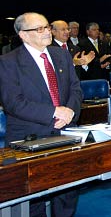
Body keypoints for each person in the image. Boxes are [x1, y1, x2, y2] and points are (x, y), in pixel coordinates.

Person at [0, 12, 82, 216]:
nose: (46, 32)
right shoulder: (8, 61)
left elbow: (76, 88)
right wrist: (54, 112)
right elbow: (13, 103)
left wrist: (69, 111)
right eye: (39, 29)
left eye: (46, 27)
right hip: (29, 136)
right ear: (23, 35)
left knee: (67, 191)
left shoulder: (61, 54)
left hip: (66, 132)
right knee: (34, 198)